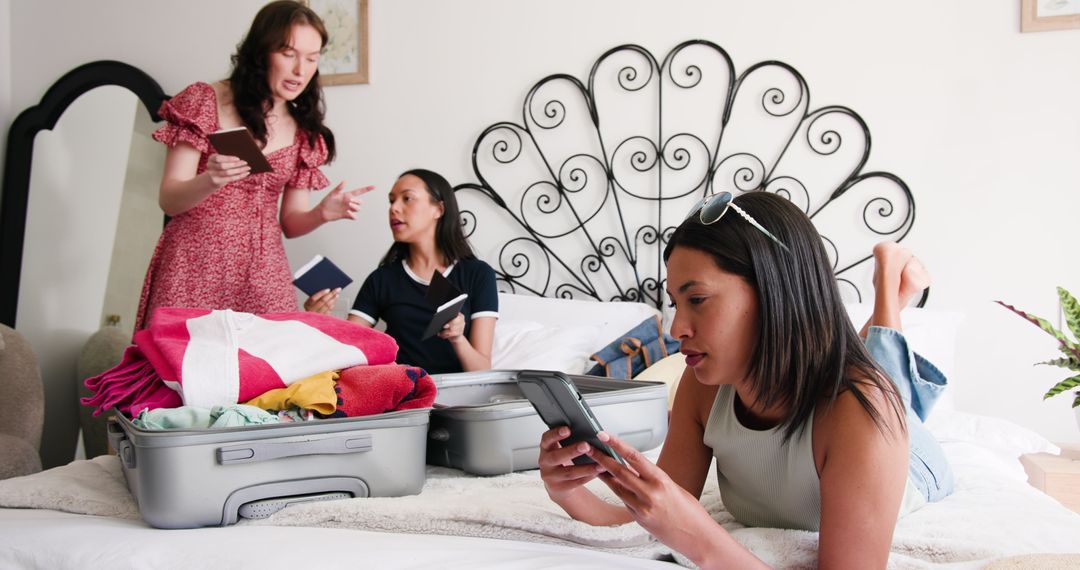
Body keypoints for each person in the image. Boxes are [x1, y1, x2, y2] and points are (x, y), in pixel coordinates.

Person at [537, 191, 954, 569]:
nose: (676, 328)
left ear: (776, 291)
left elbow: (688, 530)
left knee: (881, 379)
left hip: (915, 466)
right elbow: (650, 516)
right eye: (676, 304)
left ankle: (889, 290)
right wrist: (566, 490)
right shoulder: (701, 385)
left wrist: (699, 539)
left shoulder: (863, 411)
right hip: (836, 400)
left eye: (697, 299)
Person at [135, 0, 372, 330]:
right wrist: (210, 179)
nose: (300, 70)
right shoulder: (205, 100)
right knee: (182, 367)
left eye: (312, 58)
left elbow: (290, 222)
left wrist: (322, 213)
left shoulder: (305, 131)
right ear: (262, 52)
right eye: (288, 54)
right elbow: (170, 199)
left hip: (263, 270)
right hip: (194, 261)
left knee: (270, 372)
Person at [305, 169, 498, 374]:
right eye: (391, 201)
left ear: (439, 209)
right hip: (399, 391)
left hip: (455, 395)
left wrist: (458, 338)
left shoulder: (477, 274)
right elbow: (348, 348)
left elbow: (482, 370)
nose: (394, 208)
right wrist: (318, 320)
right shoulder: (382, 279)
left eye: (407, 198)